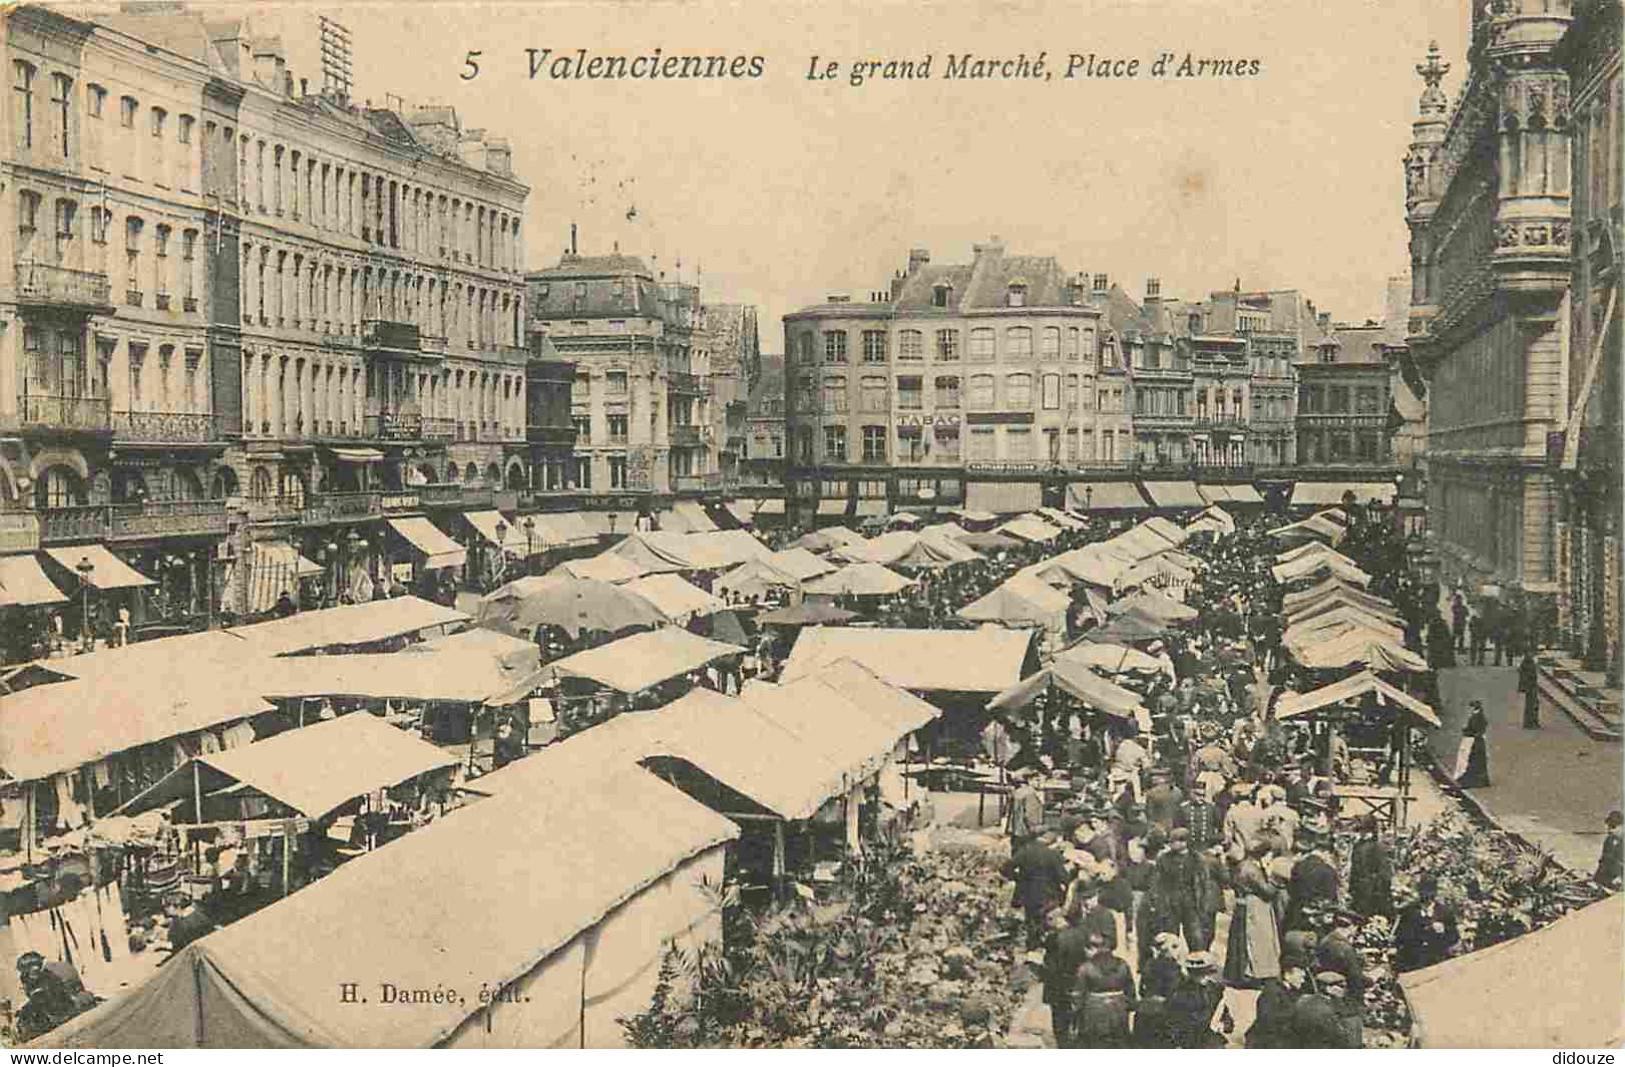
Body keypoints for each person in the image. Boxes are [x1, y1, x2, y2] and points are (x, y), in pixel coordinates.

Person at [1222, 839, 1282, 988]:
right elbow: (1267, 891)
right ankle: (1256, 974)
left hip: (1243, 905)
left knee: (1240, 941)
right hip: (1255, 907)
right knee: (1257, 940)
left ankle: (1238, 974)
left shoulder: (1242, 865)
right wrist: (1276, 879)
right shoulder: (1252, 870)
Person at [1002, 831, 1069, 950]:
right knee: (1048, 921)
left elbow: (1005, 868)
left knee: (1031, 921)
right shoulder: (1053, 854)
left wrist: (1018, 878)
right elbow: (1064, 878)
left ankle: (1032, 948)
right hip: (1049, 893)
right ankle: (1047, 948)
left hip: (1028, 893)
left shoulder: (1025, 851)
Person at [1072, 928, 1137, 1048]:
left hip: (1094, 1011)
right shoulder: (1123, 964)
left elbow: (1078, 995)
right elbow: (1131, 991)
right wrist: (1128, 1006)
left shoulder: (1086, 967)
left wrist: (1076, 1015)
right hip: (1119, 1009)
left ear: (1093, 948)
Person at [14, 952, 99, 1042]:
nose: (27, 975)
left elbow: (58, 998)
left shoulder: (50, 977)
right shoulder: (30, 977)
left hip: (63, 1009)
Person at [1041, 906, 1090, 1048]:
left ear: (1055, 919)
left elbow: (1052, 966)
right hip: (1077, 983)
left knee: (1060, 1024)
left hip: (1058, 987)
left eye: (1048, 920)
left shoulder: (1054, 938)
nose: (1047, 924)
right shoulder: (1081, 933)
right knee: (1078, 1020)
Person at [1393, 874, 1459, 972]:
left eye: (1430, 890)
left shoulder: (1445, 912)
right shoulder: (1408, 911)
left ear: (1435, 891)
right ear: (1419, 891)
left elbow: (1454, 937)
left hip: (1438, 964)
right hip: (1413, 964)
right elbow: (1399, 938)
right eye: (1423, 890)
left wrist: (1444, 929)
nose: (1426, 894)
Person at [1283, 817, 1339, 931]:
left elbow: (1291, 891)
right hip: (1317, 921)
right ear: (1327, 852)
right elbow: (1331, 900)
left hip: (1296, 917)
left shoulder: (1298, 866)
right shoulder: (1328, 871)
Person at [1348, 815, 1394, 918]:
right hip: (1363, 891)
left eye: (1362, 830)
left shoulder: (1375, 847)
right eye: (1359, 830)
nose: (1360, 833)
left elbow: (1383, 874)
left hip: (1369, 892)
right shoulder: (1361, 845)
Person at [1006, 767, 1044, 855]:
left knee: (1016, 855)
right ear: (1029, 780)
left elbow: (1010, 811)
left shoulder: (1018, 792)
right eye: (1037, 780)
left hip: (1016, 830)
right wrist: (1036, 828)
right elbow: (1030, 814)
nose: (1039, 783)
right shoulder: (1031, 794)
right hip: (1026, 832)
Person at [1454, 699, 1491, 788]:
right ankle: (1480, 780)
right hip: (1478, 741)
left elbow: (1475, 729)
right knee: (1477, 761)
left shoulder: (1476, 716)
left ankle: (1471, 781)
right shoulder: (1479, 715)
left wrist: (1466, 730)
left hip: (1475, 742)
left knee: (1473, 760)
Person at [1596, 810, 1624, 890]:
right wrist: (1596, 879)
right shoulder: (1609, 840)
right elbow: (1603, 862)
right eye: (1608, 827)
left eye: (1613, 827)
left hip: (1618, 882)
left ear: (1622, 827)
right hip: (1605, 880)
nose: (1609, 830)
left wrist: (1620, 879)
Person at [1517, 651, 1541, 729]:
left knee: (1534, 704)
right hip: (1530, 687)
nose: (1531, 655)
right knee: (1531, 706)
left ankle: (1533, 721)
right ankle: (1529, 723)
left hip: (1532, 686)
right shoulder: (1527, 664)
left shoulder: (1530, 663)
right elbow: (1527, 676)